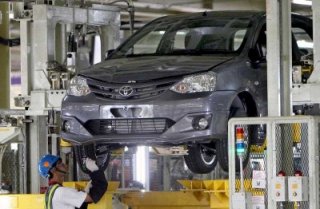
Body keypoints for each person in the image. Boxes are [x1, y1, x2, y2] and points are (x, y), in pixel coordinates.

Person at [38, 154, 108, 209]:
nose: (65, 165)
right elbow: (92, 198)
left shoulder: (50, 191)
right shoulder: (61, 192)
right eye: (60, 164)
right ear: (53, 170)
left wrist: (84, 193)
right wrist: (95, 170)